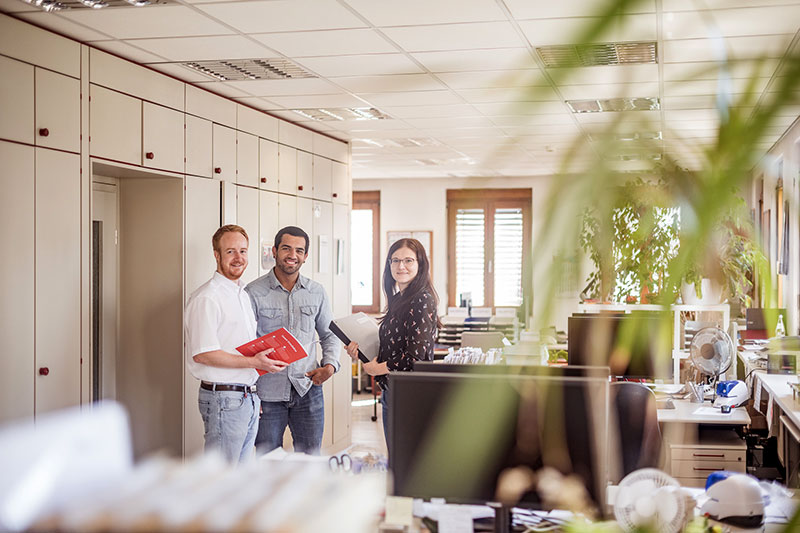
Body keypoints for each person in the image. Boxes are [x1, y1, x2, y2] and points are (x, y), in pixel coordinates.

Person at [184, 224, 288, 463]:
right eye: (230, 251)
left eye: (243, 251)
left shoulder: (241, 294)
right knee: (223, 479)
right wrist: (254, 361)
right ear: (217, 255)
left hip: (245, 397)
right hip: (224, 399)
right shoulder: (207, 298)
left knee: (238, 478)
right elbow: (203, 354)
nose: (238, 258)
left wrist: (252, 394)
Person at [246, 226, 340, 455]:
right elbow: (244, 342)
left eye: (299, 250)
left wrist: (330, 366)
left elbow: (330, 334)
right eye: (286, 248)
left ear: (306, 256)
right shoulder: (253, 292)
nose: (293, 255)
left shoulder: (316, 292)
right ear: (275, 251)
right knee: (266, 462)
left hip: (307, 389)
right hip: (267, 393)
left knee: (310, 462)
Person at [344, 238, 440, 447]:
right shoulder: (399, 299)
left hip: (410, 394)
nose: (401, 266)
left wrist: (377, 368)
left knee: (405, 461)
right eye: (395, 260)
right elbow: (393, 345)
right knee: (397, 458)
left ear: (420, 264)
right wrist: (360, 352)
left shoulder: (422, 299)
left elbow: (415, 356)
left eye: (408, 260)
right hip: (394, 390)